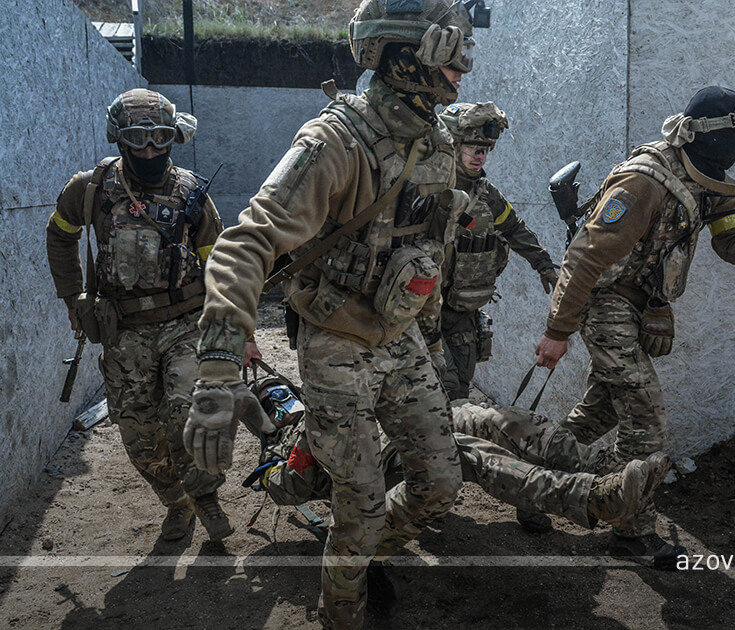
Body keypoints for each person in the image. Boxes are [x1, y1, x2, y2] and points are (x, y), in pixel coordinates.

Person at [181, 2, 488, 628]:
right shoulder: (335, 141)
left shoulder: (434, 138)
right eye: (451, 49)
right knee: (361, 504)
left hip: (401, 337)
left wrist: (430, 339)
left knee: (440, 485)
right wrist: (216, 369)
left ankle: (359, 554)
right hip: (335, 343)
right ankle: (340, 610)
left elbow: (428, 250)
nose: (463, 66)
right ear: (406, 54)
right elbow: (246, 243)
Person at [534, 86, 735, 569]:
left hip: (638, 306)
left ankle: (531, 479)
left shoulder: (709, 180)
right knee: (645, 417)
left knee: (601, 410)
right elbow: (584, 258)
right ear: (712, 135)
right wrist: (557, 331)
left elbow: (731, 243)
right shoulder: (643, 183)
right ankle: (631, 532)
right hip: (604, 301)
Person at [45, 88, 235, 542]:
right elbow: (60, 234)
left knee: (189, 411)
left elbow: (218, 260)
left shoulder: (191, 192)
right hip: (124, 330)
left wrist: (230, 325)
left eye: (160, 139)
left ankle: (206, 495)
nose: (150, 151)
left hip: (185, 323)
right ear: (119, 138)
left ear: (174, 137)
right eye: (138, 140)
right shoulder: (90, 189)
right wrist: (73, 297)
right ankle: (177, 502)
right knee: (139, 435)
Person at [236, 372, 669, 550]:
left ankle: (604, 471)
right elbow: (289, 488)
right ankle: (593, 498)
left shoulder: (326, 393)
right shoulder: (279, 449)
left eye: (282, 392)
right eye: (271, 401)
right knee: (462, 450)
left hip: (403, 428)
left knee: (497, 419)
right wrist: (299, 443)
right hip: (380, 470)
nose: (281, 402)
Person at [436, 102, 558, 401]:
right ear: (453, 146)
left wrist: (544, 265)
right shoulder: (429, 190)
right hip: (423, 309)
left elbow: (513, 229)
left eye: (485, 150)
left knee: (461, 386)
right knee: (443, 386)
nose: (479, 156)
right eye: (472, 148)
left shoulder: (485, 194)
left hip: (461, 309)